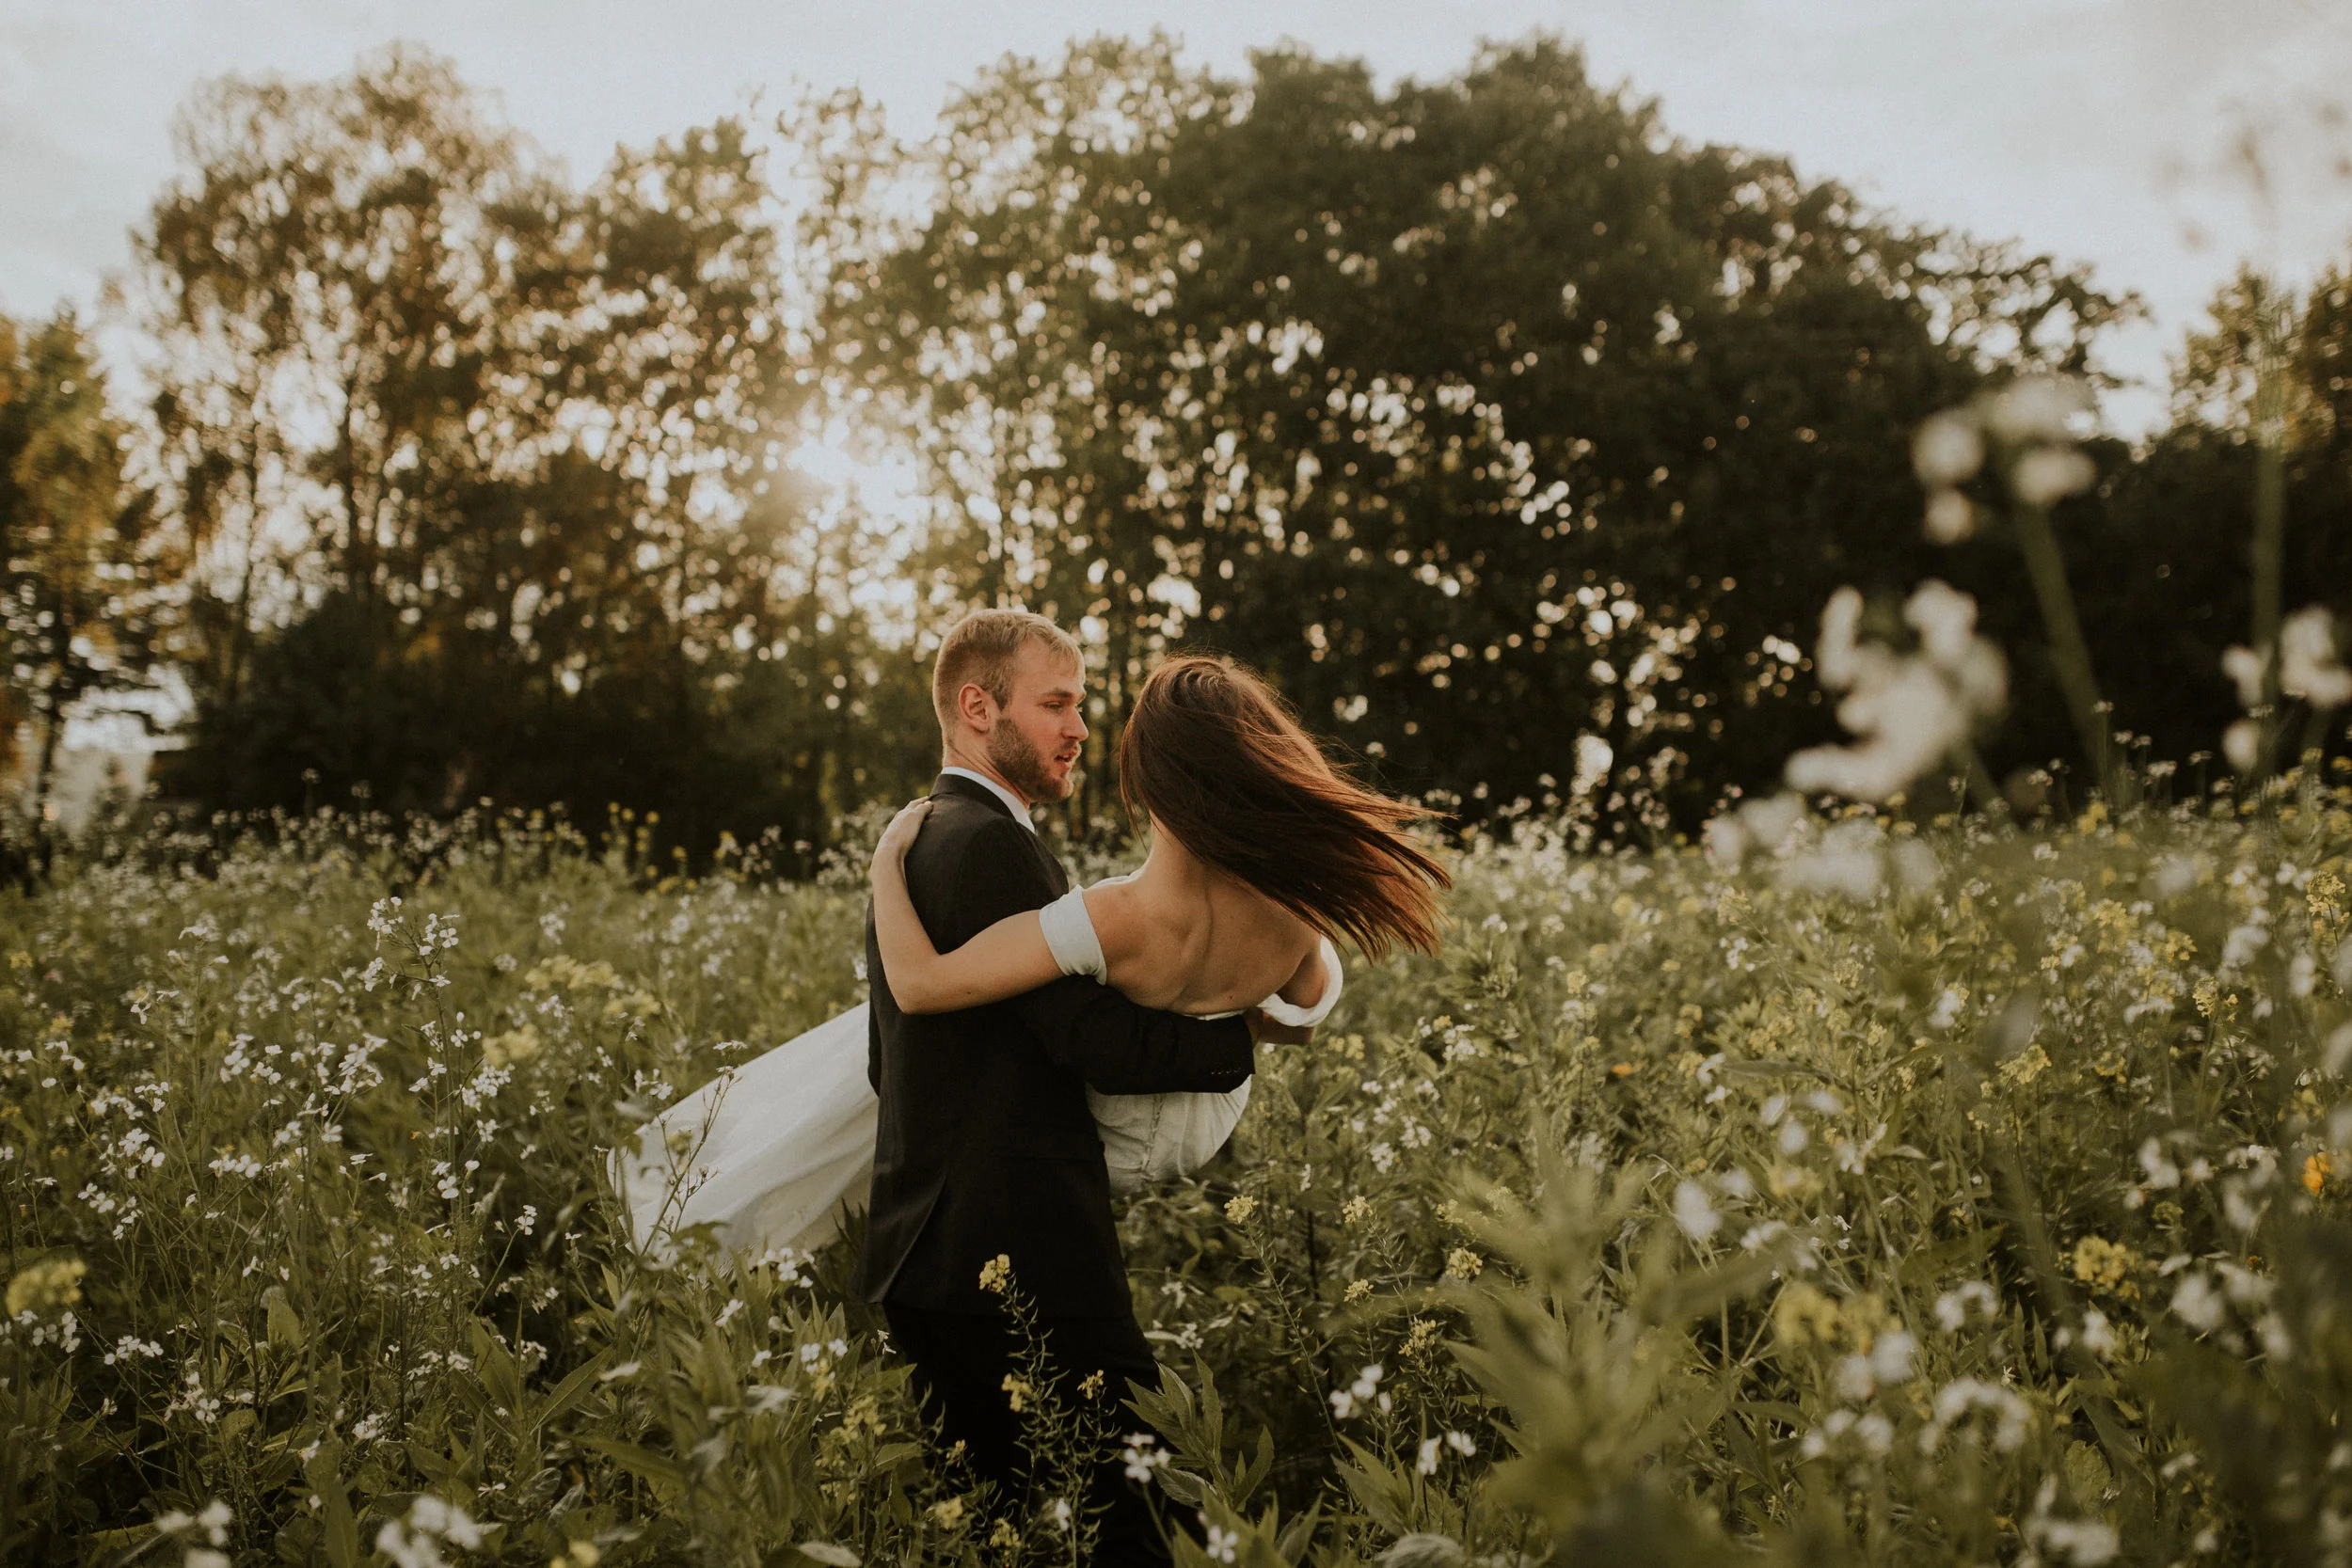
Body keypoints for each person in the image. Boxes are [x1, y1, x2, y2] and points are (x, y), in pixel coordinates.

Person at [610, 611, 1447, 1562]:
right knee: (1145, 1519)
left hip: (929, 1250)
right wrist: (1239, 1037)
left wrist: (883, 868)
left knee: (994, 1525)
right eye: (1058, 703)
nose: (1079, 727)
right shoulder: (992, 848)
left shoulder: (932, 840)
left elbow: (895, 1052)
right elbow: (1090, 1039)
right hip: (1018, 1245)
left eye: (1082, 706)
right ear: (979, 708)